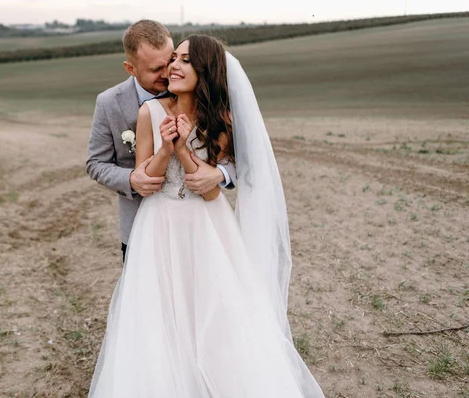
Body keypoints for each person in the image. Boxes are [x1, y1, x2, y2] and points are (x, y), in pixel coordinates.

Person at [88, 34, 325, 397]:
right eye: (171, 61)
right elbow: (140, 172)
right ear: (132, 67)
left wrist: (183, 148)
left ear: (205, 70)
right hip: (157, 225)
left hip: (208, 226)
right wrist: (166, 149)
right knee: (160, 315)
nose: (173, 67)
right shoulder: (144, 110)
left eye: (183, 60)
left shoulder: (220, 118)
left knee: (215, 311)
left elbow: (213, 188)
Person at [86, 20, 236, 262]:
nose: (168, 72)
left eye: (171, 60)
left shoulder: (210, 106)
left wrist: (220, 174)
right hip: (143, 224)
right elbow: (95, 163)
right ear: (130, 68)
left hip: (201, 222)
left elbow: (238, 155)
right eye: (156, 69)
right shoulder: (109, 103)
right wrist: (132, 179)